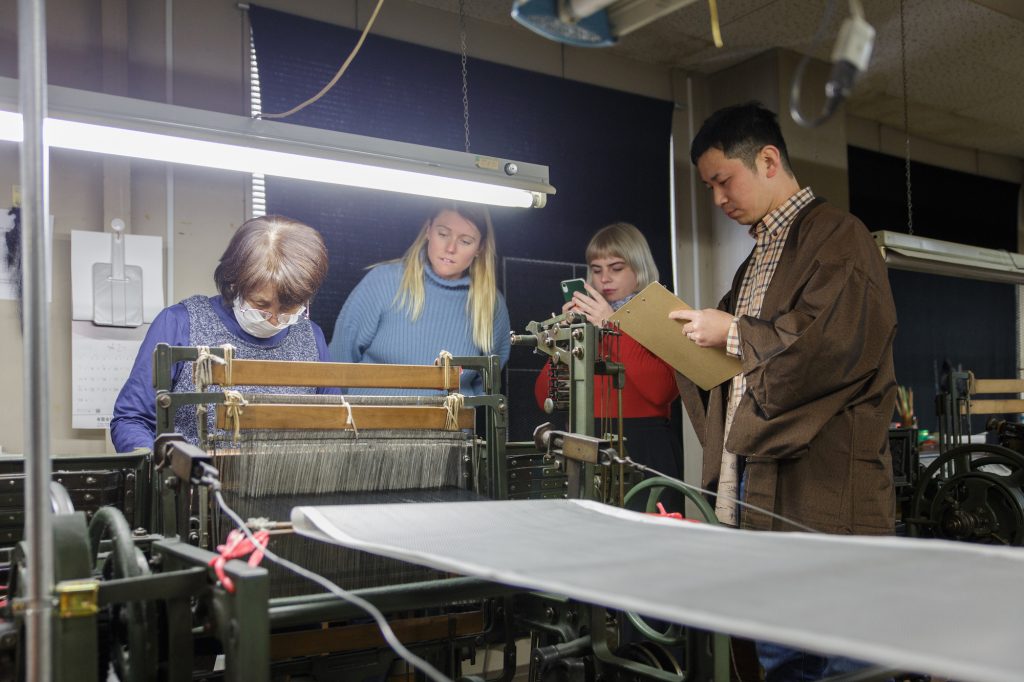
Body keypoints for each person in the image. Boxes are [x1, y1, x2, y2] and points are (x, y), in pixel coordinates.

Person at [671, 102, 897, 681]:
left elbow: (828, 346)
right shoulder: (756, 261)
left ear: (768, 160)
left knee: (841, 651)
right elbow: (740, 371)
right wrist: (680, 339)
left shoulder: (840, 238)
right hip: (762, 484)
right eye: (709, 187)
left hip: (822, 484)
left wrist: (734, 332)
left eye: (724, 180)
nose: (718, 199)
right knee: (781, 650)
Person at [111, 215, 335, 452]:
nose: (273, 319)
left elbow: (334, 424)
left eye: (288, 308)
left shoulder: (311, 337)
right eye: (261, 305)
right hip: (196, 486)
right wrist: (167, 467)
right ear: (234, 282)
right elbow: (132, 420)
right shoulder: (179, 324)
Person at [534, 222, 683, 493]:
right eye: (596, 269)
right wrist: (563, 339)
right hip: (589, 440)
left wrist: (610, 326)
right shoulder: (584, 324)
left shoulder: (662, 315)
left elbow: (662, 391)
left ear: (639, 271)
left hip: (645, 445)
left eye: (616, 268)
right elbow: (546, 397)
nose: (604, 279)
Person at [329, 202, 511, 396]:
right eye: (443, 234)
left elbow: (485, 389)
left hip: (449, 426)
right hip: (366, 423)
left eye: (465, 241)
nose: (450, 248)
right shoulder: (383, 281)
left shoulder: (490, 305)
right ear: (428, 231)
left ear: (480, 248)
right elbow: (338, 363)